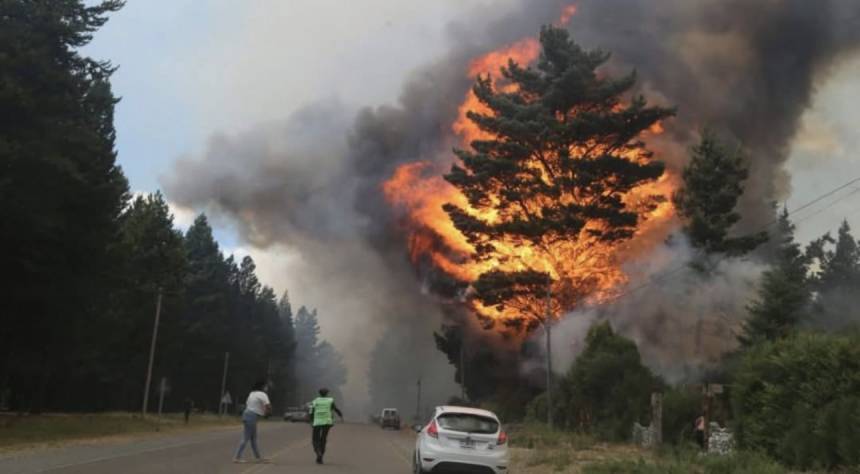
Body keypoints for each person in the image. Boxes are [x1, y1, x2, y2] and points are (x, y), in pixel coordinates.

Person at [233, 381, 271, 464]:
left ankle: (258, 458)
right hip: (252, 416)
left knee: (253, 439)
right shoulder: (262, 394)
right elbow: (268, 405)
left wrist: (263, 412)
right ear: (262, 386)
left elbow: (249, 404)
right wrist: (267, 413)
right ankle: (237, 457)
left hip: (247, 414)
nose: (266, 388)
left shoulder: (252, 393)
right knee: (246, 438)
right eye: (266, 386)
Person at [309, 388, 343, 464]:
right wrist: (341, 415)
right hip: (327, 422)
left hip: (317, 422)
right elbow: (335, 409)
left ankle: (318, 453)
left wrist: (311, 421)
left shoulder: (315, 401)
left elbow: (311, 412)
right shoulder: (330, 400)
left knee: (315, 439)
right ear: (327, 393)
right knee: (323, 439)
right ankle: (321, 456)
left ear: (319, 393)